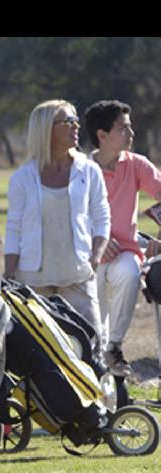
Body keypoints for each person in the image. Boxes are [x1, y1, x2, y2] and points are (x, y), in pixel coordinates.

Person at [4, 100, 110, 355]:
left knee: (91, 344)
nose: (76, 126)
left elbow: (102, 216)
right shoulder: (23, 177)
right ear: (46, 129)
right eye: (67, 121)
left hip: (77, 276)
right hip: (33, 280)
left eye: (75, 120)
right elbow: (13, 227)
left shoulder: (89, 170)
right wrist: (9, 273)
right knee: (39, 352)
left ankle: (96, 394)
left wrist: (95, 256)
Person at [83, 100, 161, 376]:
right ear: (102, 136)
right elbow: (70, 217)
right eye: (123, 128)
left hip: (127, 252)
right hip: (89, 255)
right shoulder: (80, 168)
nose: (131, 133)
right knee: (95, 321)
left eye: (130, 127)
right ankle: (99, 368)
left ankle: (114, 346)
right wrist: (98, 242)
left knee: (129, 273)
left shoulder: (137, 164)